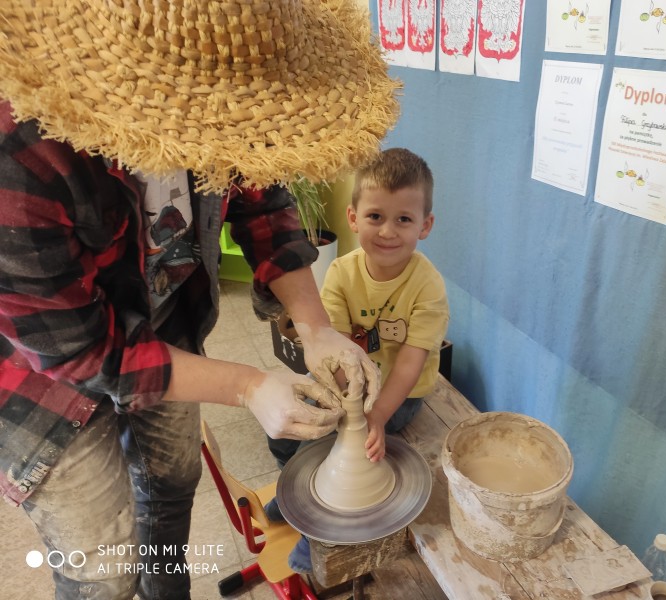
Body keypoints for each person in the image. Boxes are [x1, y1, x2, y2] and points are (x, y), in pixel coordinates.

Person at [0, 1, 399, 598]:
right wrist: (247, 386)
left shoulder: (230, 88)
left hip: (166, 329)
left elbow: (263, 202)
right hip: (42, 382)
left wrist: (315, 326)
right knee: (106, 571)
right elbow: (82, 354)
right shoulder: (23, 150)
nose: (227, 132)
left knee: (170, 487)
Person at [266, 148, 449, 570]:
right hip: (351, 382)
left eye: (404, 219)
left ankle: (314, 537)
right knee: (291, 427)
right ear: (353, 218)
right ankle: (293, 490)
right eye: (375, 216)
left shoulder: (428, 286)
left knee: (336, 441)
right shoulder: (340, 273)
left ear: (425, 226)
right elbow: (339, 348)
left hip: (402, 393)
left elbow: (410, 363)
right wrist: (349, 405)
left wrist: (376, 415)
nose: (387, 231)